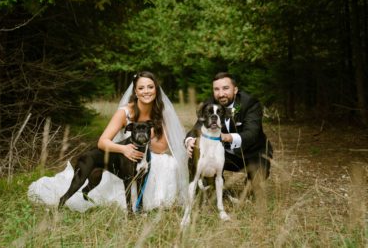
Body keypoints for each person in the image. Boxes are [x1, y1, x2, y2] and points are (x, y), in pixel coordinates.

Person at [28, 71, 188, 212]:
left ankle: (156, 203)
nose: (146, 91)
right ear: (136, 92)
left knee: (167, 163)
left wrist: (144, 138)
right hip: (120, 155)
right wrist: (124, 149)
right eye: (141, 88)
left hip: (148, 155)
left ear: (156, 89)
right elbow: (102, 142)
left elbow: (161, 148)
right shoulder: (126, 112)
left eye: (150, 87)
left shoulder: (162, 113)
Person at [185, 72, 273, 192]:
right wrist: (189, 140)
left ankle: (251, 184)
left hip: (252, 153)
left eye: (225, 88)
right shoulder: (210, 104)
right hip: (223, 154)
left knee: (255, 184)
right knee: (196, 150)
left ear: (235, 89)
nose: (221, 94)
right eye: (216, 89)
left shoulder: (250, 104)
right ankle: (212, 184)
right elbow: (197, 128)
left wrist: (227, 137)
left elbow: (252, 134)